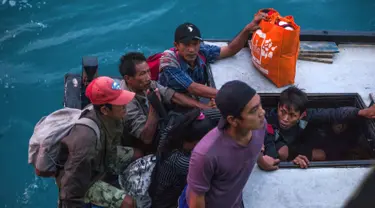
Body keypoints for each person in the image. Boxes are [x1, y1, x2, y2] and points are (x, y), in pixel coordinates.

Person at [186, 80, 280, 208]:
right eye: (253, 110)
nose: (262, 112)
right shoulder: (206, 154)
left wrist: (262, 162)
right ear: (233, 120)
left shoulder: (259, 125)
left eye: (260, 105)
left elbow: (254, 147)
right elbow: (196, 200)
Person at [56, 76, 138, 208]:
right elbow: (71, 187)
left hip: (102, 158)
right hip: (85, 180)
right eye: (120, 103)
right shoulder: (86, 140)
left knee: (138, 154)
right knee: (128, 203)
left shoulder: (115, 115)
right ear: (105, 110)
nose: (125, 106)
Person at [158, 12, 267, 100]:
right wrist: (230, 95)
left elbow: (230, 50)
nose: (191, 49)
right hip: (173, 101)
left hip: (195, 96)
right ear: (176, 45)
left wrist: (247, 29)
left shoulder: (201, 50)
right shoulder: (168, 62)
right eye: (186, 45)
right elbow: (193, 88)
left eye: (195, 44)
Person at [119, 52, 217, 148]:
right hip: (145, 141)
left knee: (199, 116)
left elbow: (173, 95)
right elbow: (146, 138)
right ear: (128, 79)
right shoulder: (126, 103)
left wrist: (204, 107)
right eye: (142, 74)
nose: (148, 77)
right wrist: (154, 107)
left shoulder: (146, 83)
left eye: (148, 71)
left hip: (160, 124)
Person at [264, 86, 375, 168]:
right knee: (283, 152)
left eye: (292, 115)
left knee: (321, 154)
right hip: (281, 146)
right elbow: (270, 155)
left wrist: (360, 112)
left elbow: (332, 114)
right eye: (282, 112)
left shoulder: (306, 117)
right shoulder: (269, 122)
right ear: (278, 107)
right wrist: (290, 163)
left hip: (297, 144)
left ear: (302, 115)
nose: (285, 118)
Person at [150, 109, 215, 208]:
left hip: (159, 183)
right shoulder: (180, 161)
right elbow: (214, 169)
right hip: (167, 201)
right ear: (197, 143)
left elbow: (203, 115)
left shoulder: (174, 130)